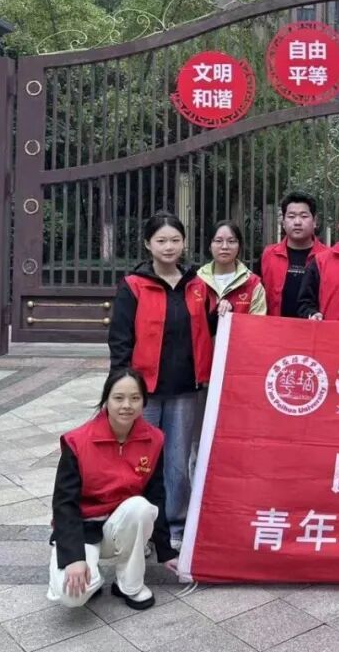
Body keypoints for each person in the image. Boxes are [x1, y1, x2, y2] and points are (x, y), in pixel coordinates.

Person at [108, 212, 210, 548]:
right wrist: (122, 387)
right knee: (141, 459)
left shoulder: (197, 285)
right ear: (148, 244)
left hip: (185, 389)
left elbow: (208, 330)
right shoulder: (133, 286)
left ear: (184, 243)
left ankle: (176, 526)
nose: (169, 247)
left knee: (178, 462)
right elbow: (120, 339)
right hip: (144, 391)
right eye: (161, 240)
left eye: (175, 240)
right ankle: (141, 525)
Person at [48, 368, 178, 611]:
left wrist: (166, 550)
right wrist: (74, 558)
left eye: (135, 398)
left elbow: (156, 495)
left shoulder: (154, 439)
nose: (127, 405)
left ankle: (130, 585)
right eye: (119, 398)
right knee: (71, 597)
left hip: (120, 525)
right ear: (106, 400)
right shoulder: (77, 441)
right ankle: (93, 577)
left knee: (141, 507)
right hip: (83, 529)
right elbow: (64, 504)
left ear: (144, 402)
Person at [260, 191, 328, 317]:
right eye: (291, 216)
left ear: (315, 221)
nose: (297, 222)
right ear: (283, 222)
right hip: (276, 326)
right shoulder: (269, 255)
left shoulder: (327, 257)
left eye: (304, 216)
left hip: (314, 326)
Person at [197, 220, 267, 317]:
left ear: (239, 246)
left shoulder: (253, 284)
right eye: (218, 241)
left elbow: (257, 324)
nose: (225, 247)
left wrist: (233, 315)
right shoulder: (196, 281)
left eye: (231, 241)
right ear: (209, 246)